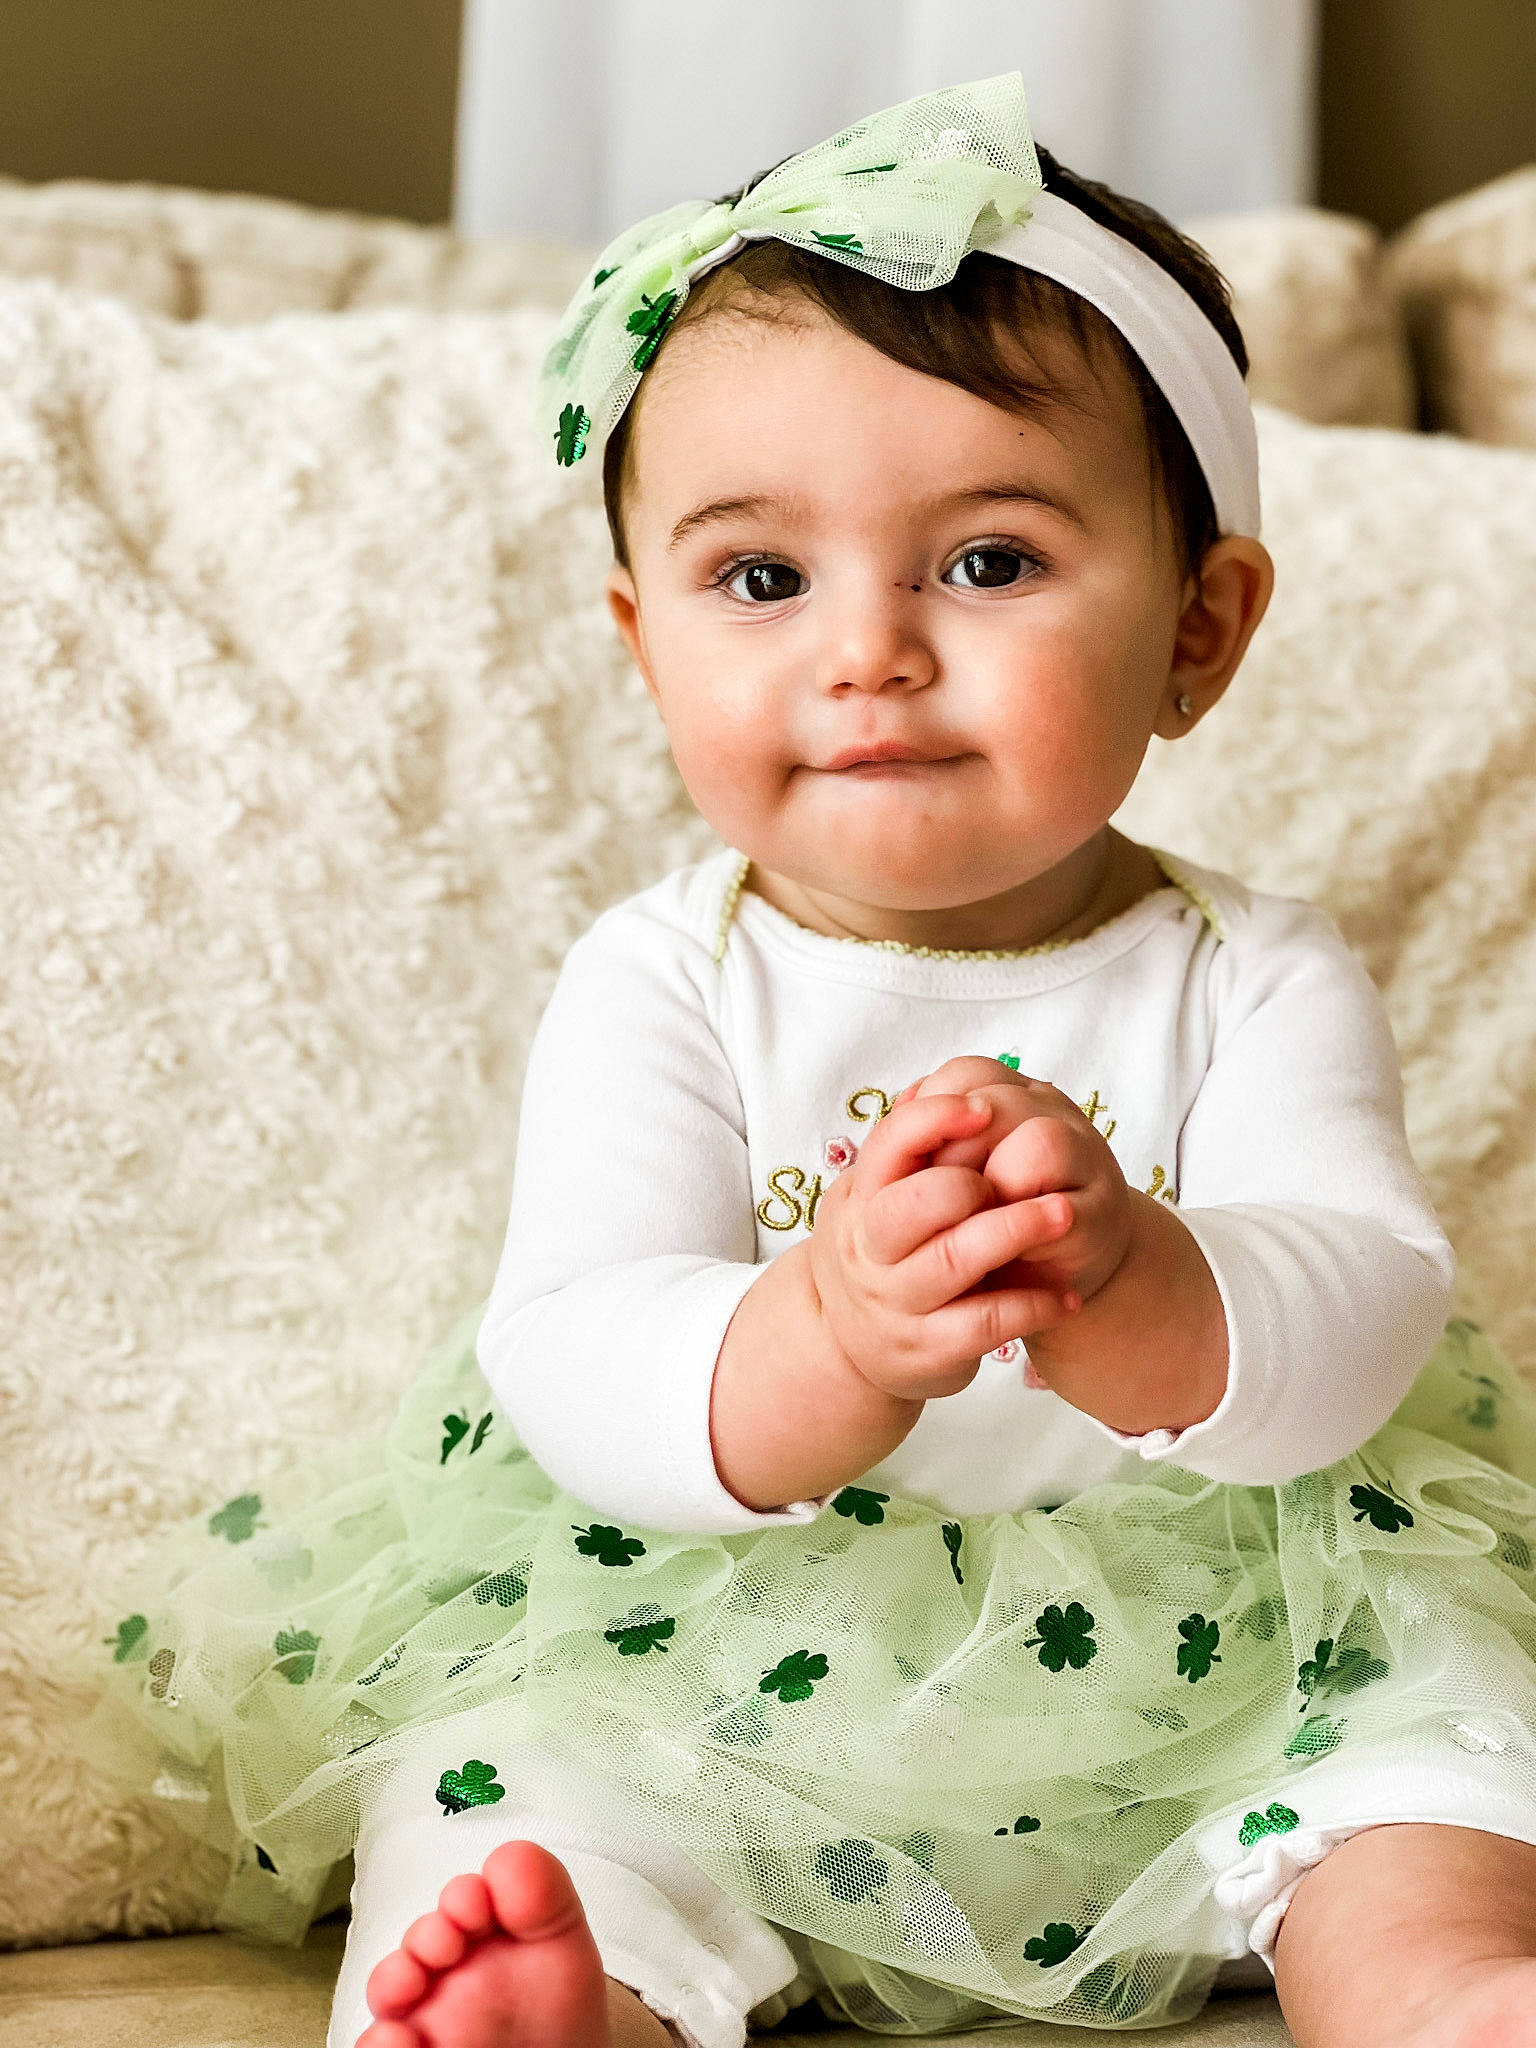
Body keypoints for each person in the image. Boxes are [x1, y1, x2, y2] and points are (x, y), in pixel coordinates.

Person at [90, 72, 1536, 2048]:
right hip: (728, 1649)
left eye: (990, 561)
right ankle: (564, 1989)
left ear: (1201, 630)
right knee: (514, 1768)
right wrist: (830, 1337)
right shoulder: (663, 980)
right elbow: (579, 1346)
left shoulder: (1253, 971)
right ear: (642, 641)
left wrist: (1146, 1284)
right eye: (761, 580)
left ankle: (1446, 1986)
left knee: (1426, 1762)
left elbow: (1361, 1307)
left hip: (1234, 1645)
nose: (868, 649)